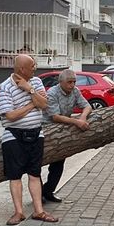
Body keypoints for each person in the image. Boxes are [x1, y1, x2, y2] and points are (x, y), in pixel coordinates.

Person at [0, 54, 58, 225]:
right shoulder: (5, 87)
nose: (35, 67)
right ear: (22, 69)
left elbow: (45, 104)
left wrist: (28, 89)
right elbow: (10, 115)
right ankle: (18, 212)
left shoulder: (36, 82)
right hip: (13, 136)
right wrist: (33, 103)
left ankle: (39, 211)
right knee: (15, 176)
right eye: (32, 65)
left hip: (36, 134)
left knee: (34, 173)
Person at [42, 69, 92, 203]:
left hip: (63, 131)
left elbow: (87, 106)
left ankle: (48, 192)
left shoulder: (75, 91)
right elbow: (55, 116)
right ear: (61, 82)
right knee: (38, 163)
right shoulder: (52, 93)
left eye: (74, 82)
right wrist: (77, 122)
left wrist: (82, 117)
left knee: (58, 164)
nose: (72, 85)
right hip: (48, 130)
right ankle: (38, 194)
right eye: (69, 82)